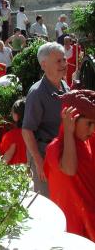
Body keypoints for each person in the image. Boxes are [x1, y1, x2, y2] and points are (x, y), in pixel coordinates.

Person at [44, 90, 95, 242]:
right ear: (71, 119)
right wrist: (68, 131)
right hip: (73, 223)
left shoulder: (89, 141)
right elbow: (70, 169)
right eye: (89, 124)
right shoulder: (55, 147)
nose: (92, 130)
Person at [22, 42, 69, 197]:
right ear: (44, 64)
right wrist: (38, 162)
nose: (64, 64)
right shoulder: (37, 93)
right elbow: (27, 130)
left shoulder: (65, 86)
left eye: (64, 59)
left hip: (62, 152)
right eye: (58, 61)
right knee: (47, 199)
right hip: (44, 154)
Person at [0, 99, 27, 165]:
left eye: (12, 111)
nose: (11, 113)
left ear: (17, 115)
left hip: (18, 173)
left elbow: (6, 159)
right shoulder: (36, 132)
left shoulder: (11, 136)